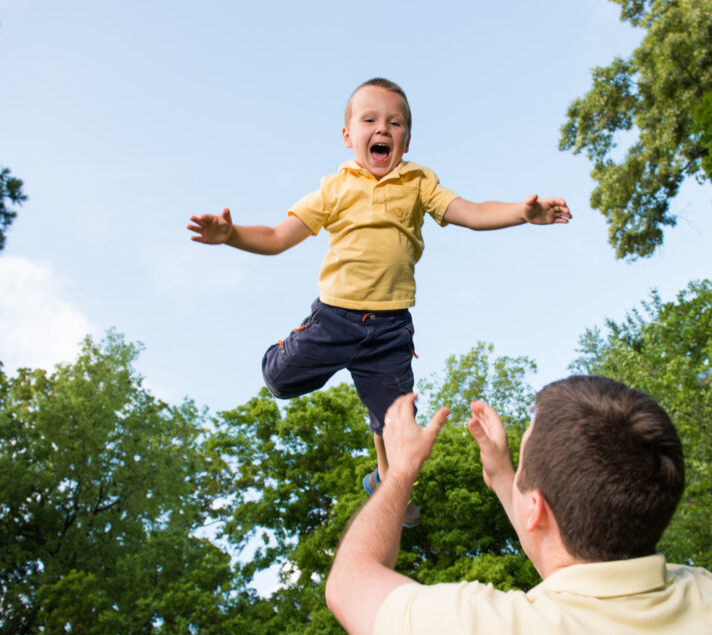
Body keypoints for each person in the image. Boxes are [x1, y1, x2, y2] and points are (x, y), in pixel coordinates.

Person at [188, 78, 571, 527]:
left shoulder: (418, 182)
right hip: (334, 320)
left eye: (395, 122)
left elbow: (470, 211)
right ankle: (290, 347)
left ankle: (386, 487)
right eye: (369, 120)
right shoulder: (335, 187)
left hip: (389, 331)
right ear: (349, 136)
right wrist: (230, 236)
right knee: (279, 381)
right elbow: (275, 238)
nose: (382, 129)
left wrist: (521, 215)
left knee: (397, 426)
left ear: (406, 139)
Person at [325, 376, 712, 635]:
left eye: (523, 462)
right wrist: (504, 476)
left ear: (535, 508)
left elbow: (349, 584)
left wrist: (400, 472)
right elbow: (574, 570)